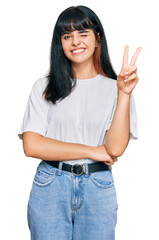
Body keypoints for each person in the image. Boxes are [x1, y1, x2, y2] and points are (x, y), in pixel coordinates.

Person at [18, 5, 141, 240]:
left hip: (97, 185)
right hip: (50, 185)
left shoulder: (116, 89)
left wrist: (124, 93)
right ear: (60, 44)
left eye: (83, 33)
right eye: (67, 36)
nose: (75, 42)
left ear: (97, 38)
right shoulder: (43, 87)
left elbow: (115, 149)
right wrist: (92, 151)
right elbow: (32, 146)